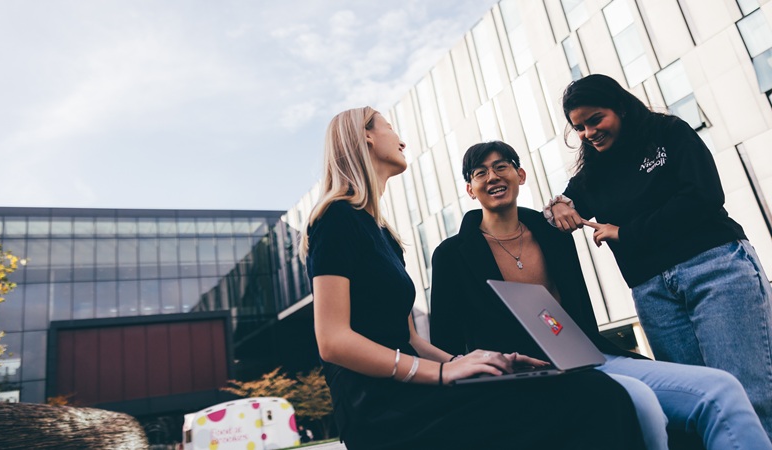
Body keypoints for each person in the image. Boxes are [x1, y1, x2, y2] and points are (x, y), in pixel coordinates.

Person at [300, 107, 646, 450]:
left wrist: (476, 361)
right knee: (594, 399)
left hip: (412, 390)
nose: (401, 140)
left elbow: (409, 339)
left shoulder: (384, 235)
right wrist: (440, 374)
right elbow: (332, 341)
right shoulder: (336, 218)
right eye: (390, 127)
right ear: (367, 136)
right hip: (380, 407)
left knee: (592, 392)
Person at [430, 140, 772, 450]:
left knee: (722, 390)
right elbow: (445, 344)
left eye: (501, 166)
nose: (492, 176)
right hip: (516, 378)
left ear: (520, 175)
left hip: (588, 360)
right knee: (639, 402)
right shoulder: (452, 254)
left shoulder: (554, 235)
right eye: (480, 172)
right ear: (470, 190)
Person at [545, 73, 772, 437]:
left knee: (748, 397)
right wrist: (556, 206)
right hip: (653, 294)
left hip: (715, 269)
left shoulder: (668, 133)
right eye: (580, 127)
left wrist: (626, 233)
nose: (589, 132)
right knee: (692, 408)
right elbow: (563, 206)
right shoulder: (593, 173)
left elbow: (704, 196)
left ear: (619, 106)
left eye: (595, 119)